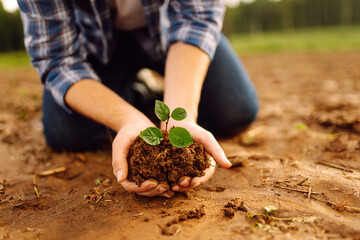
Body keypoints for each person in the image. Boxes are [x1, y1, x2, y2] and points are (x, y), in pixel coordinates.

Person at [17, 0, 258, 198]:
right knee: (66, 131)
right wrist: (127, 119)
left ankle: (159, 96)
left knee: (234, 109)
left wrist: (182, 114)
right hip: (95, 47)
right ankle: (139, 94)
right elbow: (58, 61)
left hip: (171, 34)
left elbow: (196, 20)